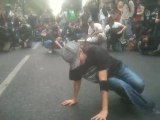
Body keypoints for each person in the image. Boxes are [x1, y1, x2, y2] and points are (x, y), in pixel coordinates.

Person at [61, 41, 158, 119]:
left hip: (118, 68)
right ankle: (149, 106)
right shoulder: (75, 67)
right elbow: (77, 81)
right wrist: (74, 98)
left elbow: (103, 82)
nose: (77, 64)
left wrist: (104, 110)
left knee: (139, 85)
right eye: (74, 63)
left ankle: (126, 94)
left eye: (78, 60)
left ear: (81, 51)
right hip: (108, 78)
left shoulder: (96, 50)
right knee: (123, 86)